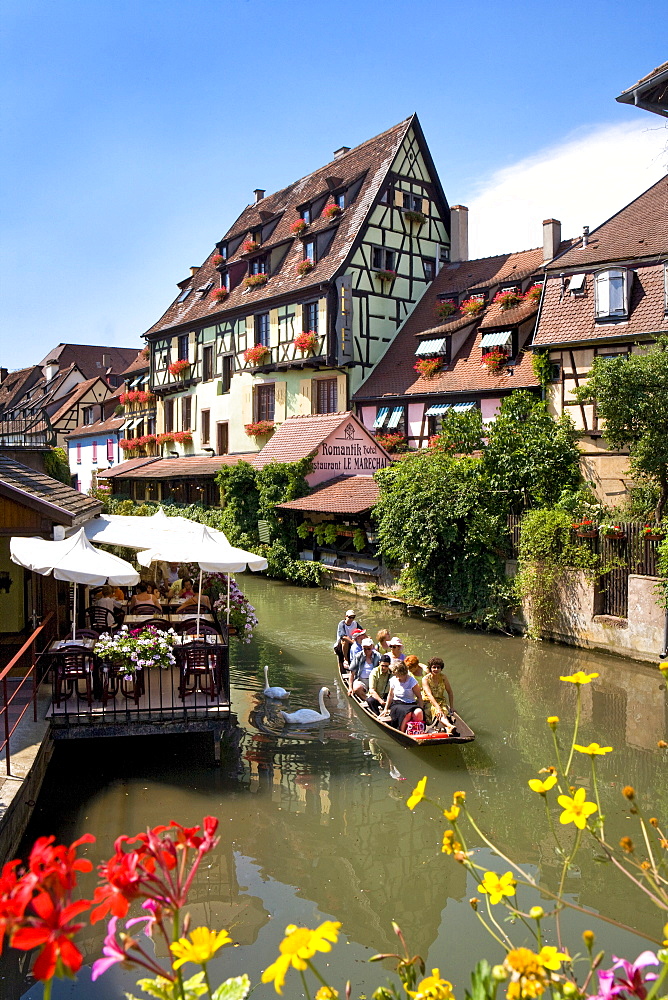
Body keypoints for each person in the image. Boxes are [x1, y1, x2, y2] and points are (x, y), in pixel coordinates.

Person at [381, 662, 424, 733]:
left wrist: (421, 708)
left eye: (394, 672)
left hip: (410, 703)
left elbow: (419, 697)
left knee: (418, 712)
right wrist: (386, 709)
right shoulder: (393, 680)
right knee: (407, 713)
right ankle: (402, 732)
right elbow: (390, 695)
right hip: (397, 703)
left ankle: (417, 731)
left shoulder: (412, 681)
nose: (393, 673)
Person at [421, 657, 455, 728]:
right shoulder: (426, 679)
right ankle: (449, 726)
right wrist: (438, 708)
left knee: (444, 711)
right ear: (430, 668)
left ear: (441, 669)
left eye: (438, 667)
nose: (436, 669)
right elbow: (429, 695)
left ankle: (448, 726)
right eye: (434, 667)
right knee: (437, 711)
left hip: (440, 700)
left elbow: (450, 692)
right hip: (428, 701)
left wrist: (451, 707)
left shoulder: (443, 677)